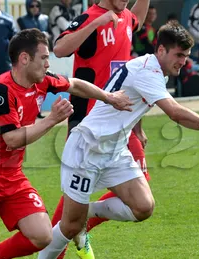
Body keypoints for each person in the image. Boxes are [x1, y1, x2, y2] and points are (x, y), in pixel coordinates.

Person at [38, 21, 199, 259]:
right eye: (178, 55)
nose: (183, 61)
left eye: (186, 56)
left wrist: (137, 128)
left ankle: (86, 212)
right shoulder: (148, 71)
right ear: (161, 50)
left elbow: (134, 98)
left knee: (143, 207)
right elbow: (175, 113)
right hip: (88, 148)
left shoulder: (152, 68)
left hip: (114, 150)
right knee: (69, 227)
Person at [0, 28, 132, 259]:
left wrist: (109, 97)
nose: (48, 64)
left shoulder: (42, 82)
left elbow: (76, 84)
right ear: (24, 59)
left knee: (43, 236)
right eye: (43, 58)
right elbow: (11, 139)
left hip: (12, 175)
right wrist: (52, 119)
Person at [49, 0, 150, 257]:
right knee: (75, 197)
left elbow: (136, 19)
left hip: (120, 122)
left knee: (142, 194)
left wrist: (138, 126)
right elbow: (59, 48)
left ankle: (80, 226)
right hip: (88, 125)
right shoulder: (91, 17)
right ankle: (60, 242)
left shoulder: (125, 17)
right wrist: (95, 23)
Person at [17, 0, 51, 119]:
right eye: (32, 6)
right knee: (28, 83)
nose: (35, 8)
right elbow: (20, 37)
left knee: (40, 83)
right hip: (29, 55)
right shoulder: (21, 20)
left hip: (42, 54)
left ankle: (37, 109)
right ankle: (26, 110)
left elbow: (51, 34)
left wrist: (46, 35)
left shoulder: (45, 18)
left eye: (37, 6)